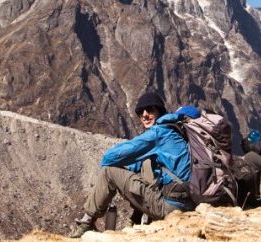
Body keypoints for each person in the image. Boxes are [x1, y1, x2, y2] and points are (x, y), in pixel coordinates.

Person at [68, 92, 194, 238]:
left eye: (150, 109)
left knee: (109, 172)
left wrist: (121, 174)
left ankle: (86, 223)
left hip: (171, 209)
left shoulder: (159, 133)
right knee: (145, 167)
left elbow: (109, 158)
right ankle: (134, 219)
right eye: (140, 112)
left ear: (160, 110)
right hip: (190, 202)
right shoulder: (177, 131)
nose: (145, 115)